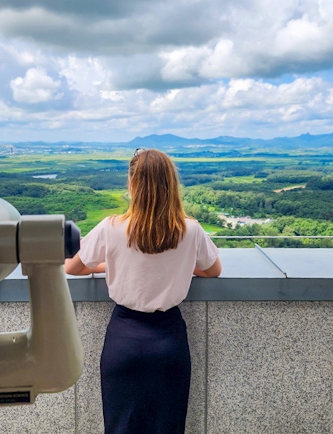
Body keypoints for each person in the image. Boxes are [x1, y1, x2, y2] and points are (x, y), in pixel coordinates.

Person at [64, 148, 221, 434]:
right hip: (170, 341)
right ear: (171, 184)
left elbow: (72, 268)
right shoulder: (191, 230)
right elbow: (213, 270)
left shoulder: (111, 227)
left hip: (123, 340)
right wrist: (182, 267)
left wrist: (110, 266)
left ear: (133, 185)